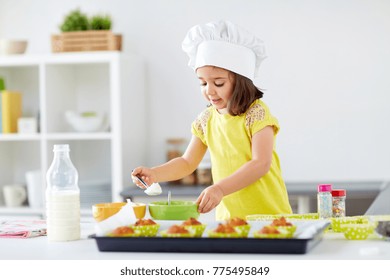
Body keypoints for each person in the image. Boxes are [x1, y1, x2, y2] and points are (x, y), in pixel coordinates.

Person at [132, 20, 292, 220]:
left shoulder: (256, 114)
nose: (209, 90)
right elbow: (187, 162)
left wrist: (219, 189)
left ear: (241, 81)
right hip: (229, 220)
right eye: (202, 83)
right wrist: (154, 174)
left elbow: (261, 163)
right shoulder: (206, 119)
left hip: (269, 216)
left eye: (218, 82)